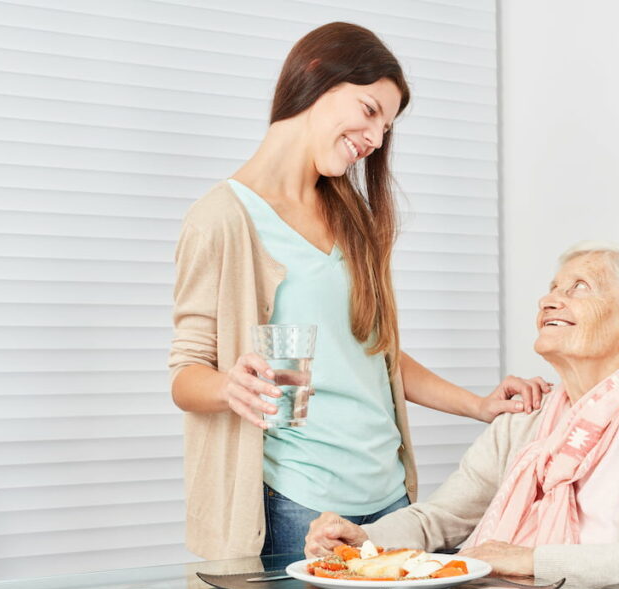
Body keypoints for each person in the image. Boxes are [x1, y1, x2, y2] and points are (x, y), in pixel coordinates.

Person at [169, 22, 548, 561]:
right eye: (370, 111)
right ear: (316, 75)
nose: (374, 139)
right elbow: (185, 375)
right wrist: (230, 387)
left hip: (392, 502)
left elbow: (376, 353)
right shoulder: (221, 220)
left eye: (385, 128)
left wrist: (477, 405)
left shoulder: (353, 217)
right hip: (297, 503)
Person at [305, 242, 619, 589]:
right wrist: (366, 541)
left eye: (579, 287)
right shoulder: (527, 416)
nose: (549, 300)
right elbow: (439, 517)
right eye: (552, 288)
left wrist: (532, 559)